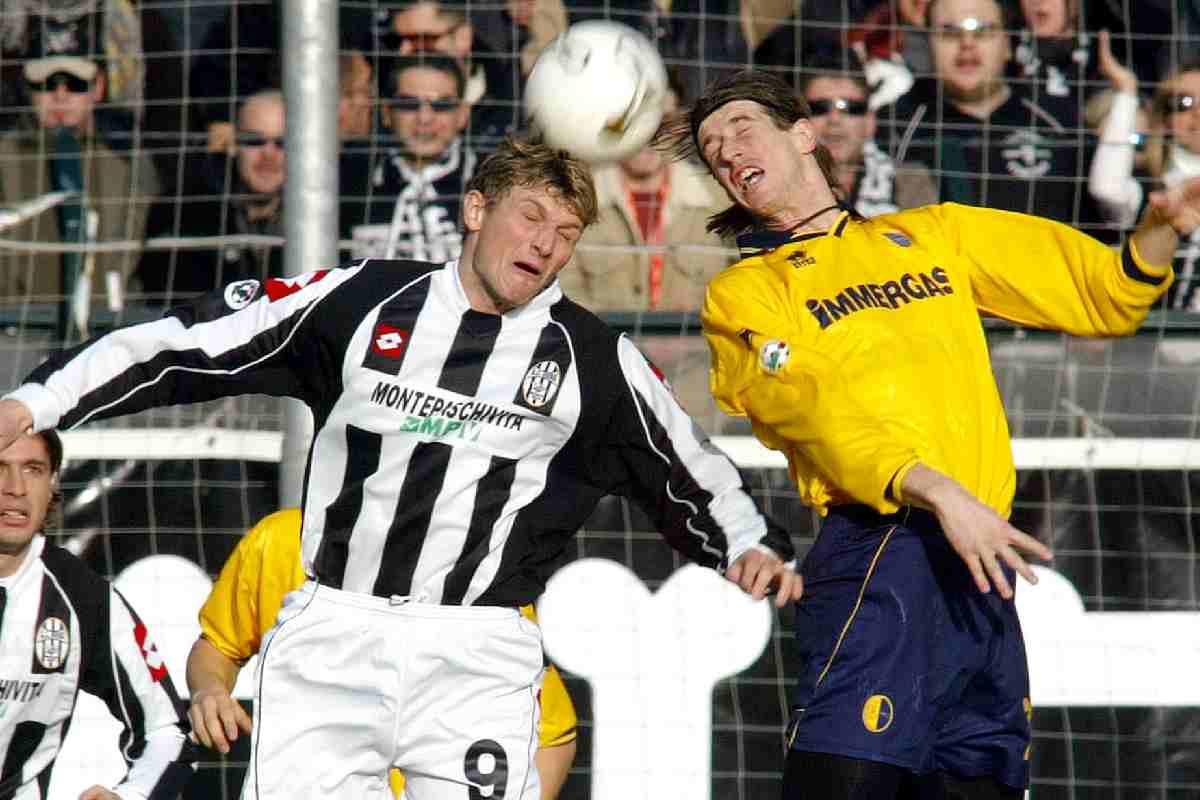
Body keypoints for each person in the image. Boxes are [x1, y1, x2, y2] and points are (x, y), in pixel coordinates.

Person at [0, 135, 802, 800]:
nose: (545, 245)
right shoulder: (362, 302)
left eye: (565, 233)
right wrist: (42, 399)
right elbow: (191, 339)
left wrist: (746, 541)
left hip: (478, 652)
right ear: (476, 209)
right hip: (334, 632)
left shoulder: (591, 358)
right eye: (530, 217)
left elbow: (683, 459)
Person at [663, 67, 1195, 797]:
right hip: (882, 552)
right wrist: (937, 490)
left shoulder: (933, 234)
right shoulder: (745, 295)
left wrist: (1163, 230)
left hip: (980, 567)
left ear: (804, 135)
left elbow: (1103, 294)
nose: (726, 151)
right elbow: (813, 411)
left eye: (741, 127)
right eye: (712, 148)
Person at [185, 508, 577, 799]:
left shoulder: (476, 577)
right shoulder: (281, 539)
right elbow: (216, 646)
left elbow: (554, 735)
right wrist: (209, 689)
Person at [0, 428, 195, 799]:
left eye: (33, 469)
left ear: (53, 485)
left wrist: (131, 794)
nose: (16, 488)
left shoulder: (83, 597)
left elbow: (166, 730)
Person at [0, 13, 161, 332]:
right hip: (15, 330)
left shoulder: (128, 163)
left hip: (106, 331)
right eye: (47, 84)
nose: (60, 96)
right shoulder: (4, 159)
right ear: (28, 89)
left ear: (98, 87)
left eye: (75, 84)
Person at [885, 0, 1097, 229]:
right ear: (929, 44)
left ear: (1007, 44)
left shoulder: (1061, 120)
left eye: (983, 31)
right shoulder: (895, 125)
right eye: (950, 33)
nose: (967, 44)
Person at [136, 89, 286, 304]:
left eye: (282, 143)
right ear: (233, 144)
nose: (268, 154)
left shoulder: (320, 224)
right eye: (254, 141)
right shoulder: (183, 215)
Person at [340, 54, 475, 262]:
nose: (424, 118)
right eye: (409, 104)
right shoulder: (349, 178)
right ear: (386, 112)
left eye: (442, 105)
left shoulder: (488, 180)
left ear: (463, 114)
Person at [800, 61, 937, 217]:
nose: (834, 119)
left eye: (852, 108)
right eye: (819, 108)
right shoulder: (783, 182)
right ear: (800, 122)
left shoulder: (910, 181)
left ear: (870, 121)